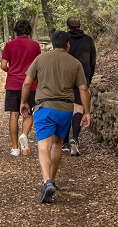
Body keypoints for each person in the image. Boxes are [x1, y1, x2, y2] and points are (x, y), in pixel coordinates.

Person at [20, 30, 90, 203]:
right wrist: (87, 112)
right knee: (58, 143)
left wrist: (24, 102)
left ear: (52, 43)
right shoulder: (75, 63)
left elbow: (27, 82)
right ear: (68, 45)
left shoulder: (40, 59)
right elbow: (83, 89)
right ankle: (52, 179)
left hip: (44, 107)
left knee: (43, 145)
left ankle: (47, 181)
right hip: (65, 108)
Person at [1, 19, 41, 156]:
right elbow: (38, 66)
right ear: (29, 30)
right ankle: (24, 135)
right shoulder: (35, 46)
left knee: (14, 114)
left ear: (16, 30)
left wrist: (11, 70)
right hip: (30, 84)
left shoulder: (9, 45)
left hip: (13, 83)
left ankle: (14, 148)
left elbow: (3, 65)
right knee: (28, 113)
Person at [62, 16, 96, 157]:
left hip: (66, 76)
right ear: (80, 26)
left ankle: (64, 142)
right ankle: (74, 138)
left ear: (67, 27)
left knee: (65, 107)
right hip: (83, 76)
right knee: (78, 107)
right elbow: (93, 60)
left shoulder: (64, 39)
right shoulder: (88, 40)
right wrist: (89, 76)